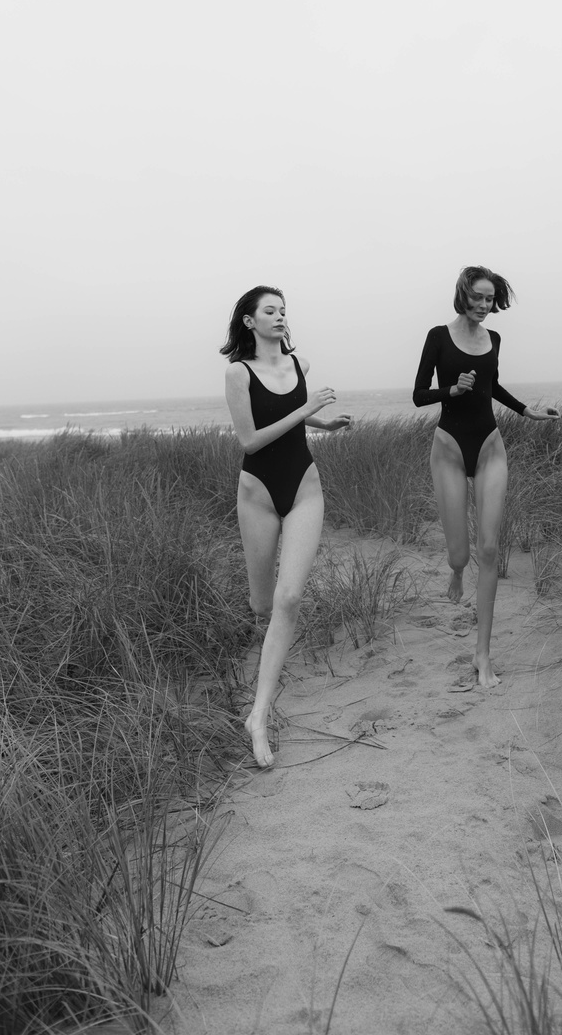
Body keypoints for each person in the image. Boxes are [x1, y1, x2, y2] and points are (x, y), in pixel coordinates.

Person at [221, 285, 350, 767]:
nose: (279, 316)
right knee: (262, 605)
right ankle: (264, 660)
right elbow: (251, 439)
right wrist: (307, 410)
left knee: (289, 598)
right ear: (250, 321)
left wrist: (324, 425)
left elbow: (292, 421)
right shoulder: (238, 373)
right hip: (257, 495)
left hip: (304, 488)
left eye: (282, 310)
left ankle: (259, 716)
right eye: (269, 310)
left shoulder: (300, 367)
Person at [413, 266, 559, 688]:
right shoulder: (438, 337)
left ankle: (482, 654)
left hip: (491, 445)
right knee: (461, 554)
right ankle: (456, 570)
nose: (483, 306)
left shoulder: (493, 339)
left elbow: (492, 385)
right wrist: (451, 391)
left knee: (490, 549)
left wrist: (526, 411)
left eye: (490, 300)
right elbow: (420, 394)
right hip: (449, 449)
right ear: (463, 294)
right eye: (477, 297)